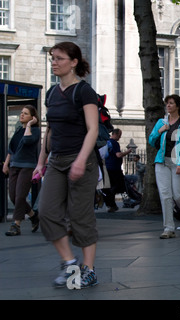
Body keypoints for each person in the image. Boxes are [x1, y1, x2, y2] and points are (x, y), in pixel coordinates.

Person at [34, 41, 100, 288]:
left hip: (81, 159)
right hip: (56, 160)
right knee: (46, 213)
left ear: (73, 62)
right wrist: (41, 162)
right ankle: (70, 262)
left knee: (80, 216)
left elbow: (93, 129)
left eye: (59, 58)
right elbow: (49, 130)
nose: (54, 62)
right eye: (52, 58)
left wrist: (81, 160)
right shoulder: (51, 93)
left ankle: (89, 269)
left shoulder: (83, 91)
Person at [149, 94, 180, 239]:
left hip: (178, 162)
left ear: (178, 106)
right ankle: (168, 228)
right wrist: (160, 131)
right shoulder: (161, 122)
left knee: (179, 195)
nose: (168, 106)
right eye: (167, 103)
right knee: (165, 196)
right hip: (162, 161)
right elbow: (152, 141)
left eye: (171, 103)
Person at [3, 105, 40, 236]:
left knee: (20, 196)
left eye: (25, 113)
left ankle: (16, 224)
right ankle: (33, 216)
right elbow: (11, 149)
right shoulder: (18, 130)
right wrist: (6, 164)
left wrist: (29, 125)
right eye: (21, 113)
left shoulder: (35, 131)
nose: (22, 115)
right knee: (13, 196)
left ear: (32, 117)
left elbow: (27, 140)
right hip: (14, 166)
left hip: (27, 166)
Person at [103, 128, 132, 212]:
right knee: (120, 186)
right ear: (115, 134)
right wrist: (128, 152)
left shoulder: (107, 142)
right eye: (119, 135)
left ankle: (111, 205)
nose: (120, 137)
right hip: (114, 168)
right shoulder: (114, 143)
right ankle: (124, 201)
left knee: (109, 187)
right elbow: (118, 155)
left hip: (108, 167)